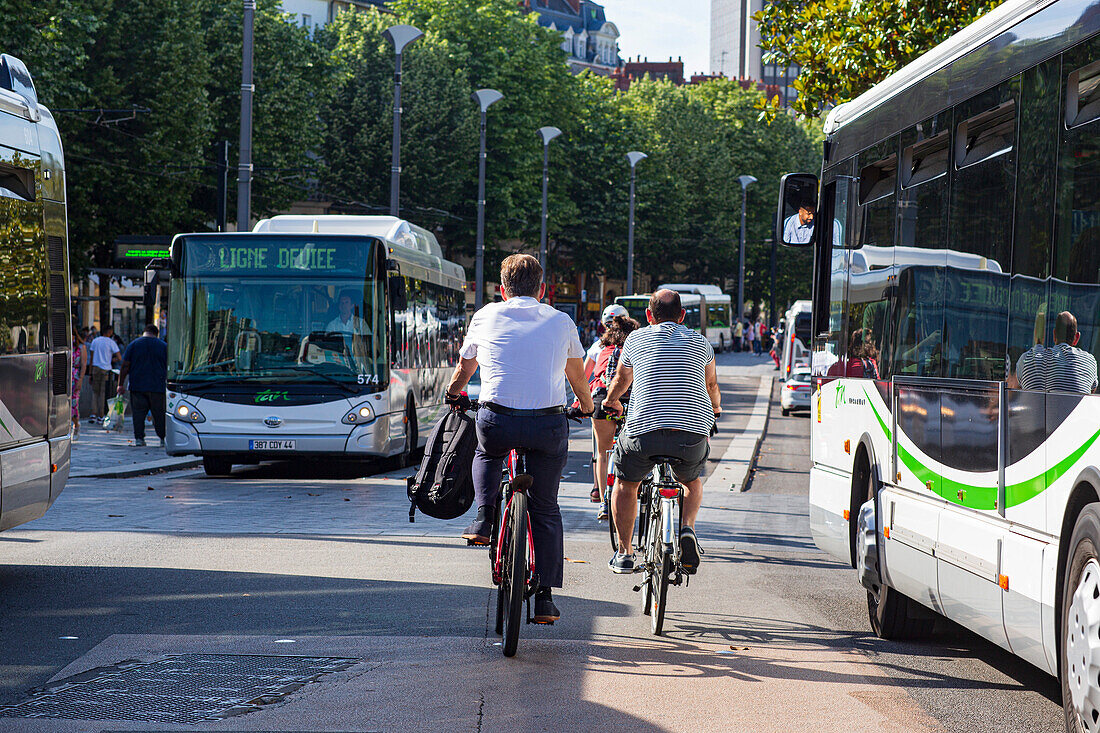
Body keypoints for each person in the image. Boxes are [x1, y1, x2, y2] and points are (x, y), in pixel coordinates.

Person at [445, 254, 593, 623]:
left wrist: (453, 392)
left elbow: (466, 367)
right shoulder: (561, 321)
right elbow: (576, 375)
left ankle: (483, 517)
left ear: (502, 289)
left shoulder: (485, 315)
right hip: (547, 425)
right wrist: (587, 407)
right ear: (543, 290)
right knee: (545, 507)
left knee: (487, 453)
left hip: (498, 419)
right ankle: (543, 597)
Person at [603, 289, 721, 575]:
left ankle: (624, 552)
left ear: (648, 316)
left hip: (644, 431)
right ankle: (687, 529)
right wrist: (715, 410)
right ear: (682, 316)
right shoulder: (701, 342)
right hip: (691, 434)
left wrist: (610, 401)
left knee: (626, 483)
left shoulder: (636, 338)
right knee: (691, 482)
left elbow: (621, 379)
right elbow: (711, 385)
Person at [587, 314, 640, 520]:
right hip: (628, 402)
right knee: (634, 452)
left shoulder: (603, 351)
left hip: (601, 400)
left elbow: (593, 377)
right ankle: (629, 496)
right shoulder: (635, 351)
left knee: (603, 452)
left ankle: (603, 501)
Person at [1012, 311, 1098, 394]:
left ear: (1054, 335)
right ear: (1077, 337)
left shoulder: (1027, 358)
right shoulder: (1090, 361)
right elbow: (1090, 393)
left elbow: (1015, 392)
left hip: (1034, 409)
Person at [117, 324, 168, 446]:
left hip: (137, 386)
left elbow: (125, 366)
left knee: (138, 414)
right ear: (156, 333)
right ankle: (162, 438)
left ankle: (139, 439)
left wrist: (120, 384)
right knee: (159, 414)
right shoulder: (163, 346)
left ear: (144, 332)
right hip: (158, 386)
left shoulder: (133, 345)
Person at [88, 324, 120, 423]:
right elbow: (119, 357)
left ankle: (93, 414)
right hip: (106, 369)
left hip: (95, 368)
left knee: (94, 392)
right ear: (110, 332)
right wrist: (111, 360)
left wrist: (90, 373)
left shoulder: (95, 341)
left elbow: (92, 358)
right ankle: (101, 415)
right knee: (102, 393)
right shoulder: (111, 342)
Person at [71, 326, 88, 440]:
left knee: (73, 402)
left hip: (75, 376)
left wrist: (81, 379)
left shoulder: (81, 347)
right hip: (65, 376)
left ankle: (76, 424)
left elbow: (83, 364)